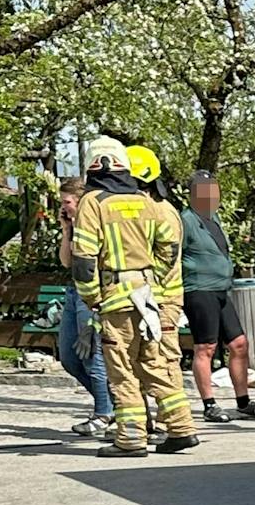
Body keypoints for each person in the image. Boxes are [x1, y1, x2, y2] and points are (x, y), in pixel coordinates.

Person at [71, 137, 196, 457]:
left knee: (122, 369)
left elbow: (84, 259)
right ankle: (181, 427)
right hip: (148, 297)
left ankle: (130, 439)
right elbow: (169, 247)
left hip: (115, 299)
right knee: (154, 362)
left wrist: (91, 298)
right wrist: (148, 277)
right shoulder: (146, 201)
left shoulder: (92, 202)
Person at [182, 171, 255, 423]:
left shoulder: (214, 217)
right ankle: (210, 405)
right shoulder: (185, 220)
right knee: (205, 347)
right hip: (199, 290)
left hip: (221, 290)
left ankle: (243, 401)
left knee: (239, 344)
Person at [128, 144, 190, 448]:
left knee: (164, 361)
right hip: (152, 298)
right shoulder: (152, 210)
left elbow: (164, 259)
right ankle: (157, 424)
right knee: (146, 363)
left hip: (162, 300)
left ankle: (177, 427)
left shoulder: (162, 213)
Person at [54, 176, 115, 439]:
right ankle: (113, 405)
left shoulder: (97, 224)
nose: (63, 207)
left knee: (94, 357)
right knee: (69, 357)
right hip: (74, 292)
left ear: (80, 201)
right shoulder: (75, 225)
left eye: (66, 202)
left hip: (93, 295)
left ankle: (103, 412)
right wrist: (67, 230)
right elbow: (67, 262)